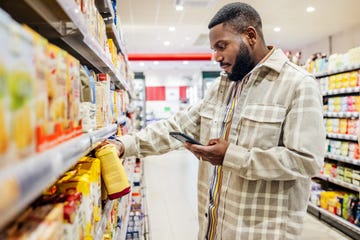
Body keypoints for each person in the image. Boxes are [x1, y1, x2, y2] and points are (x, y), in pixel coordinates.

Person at [106, 2, 326, 239]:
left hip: (259, 233)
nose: (217, 57)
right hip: (213, 229)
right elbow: (176, 126)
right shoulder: (223, 86)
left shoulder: (298, 84)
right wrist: (123, 145)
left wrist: (230, 156)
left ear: (250, 36)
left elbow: (307, 161)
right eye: (213, 48)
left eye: (222, 46)